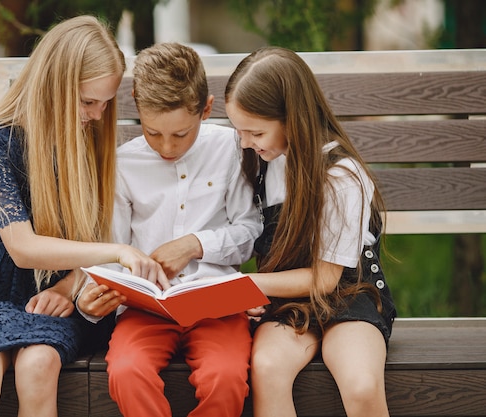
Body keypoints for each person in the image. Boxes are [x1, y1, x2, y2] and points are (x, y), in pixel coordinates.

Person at [0, 16, 165, 417]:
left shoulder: (91, 141)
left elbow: (98, 233)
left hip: (59, 298)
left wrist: (69, 288)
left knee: (38, 365)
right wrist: (120, 251)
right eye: (88, 101)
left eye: (106, 103)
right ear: (53, 85)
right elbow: (22, 248)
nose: (98, 115)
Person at [77, 42, 262, 417]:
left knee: (226, 378)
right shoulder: (124, 163)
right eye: (152, 132)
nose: (166, 147)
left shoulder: (230, 146)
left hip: (216, 302)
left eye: (181, 134)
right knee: (127, 372)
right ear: (135, 104)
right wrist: (91, 300)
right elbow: (113, 249)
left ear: (206, 109)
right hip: (146, 307)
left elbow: (250, 231)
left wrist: (196, 244)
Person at [224, 46, 397, 417]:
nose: (244, 142)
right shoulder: (262, 161)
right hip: (287, 302)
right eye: (238, 130)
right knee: (268, 368)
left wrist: (250, 286)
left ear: (292, 118)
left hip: (347, 293)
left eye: (255, 131)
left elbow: (327, 278)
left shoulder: (341, 176)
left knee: (361, 382)